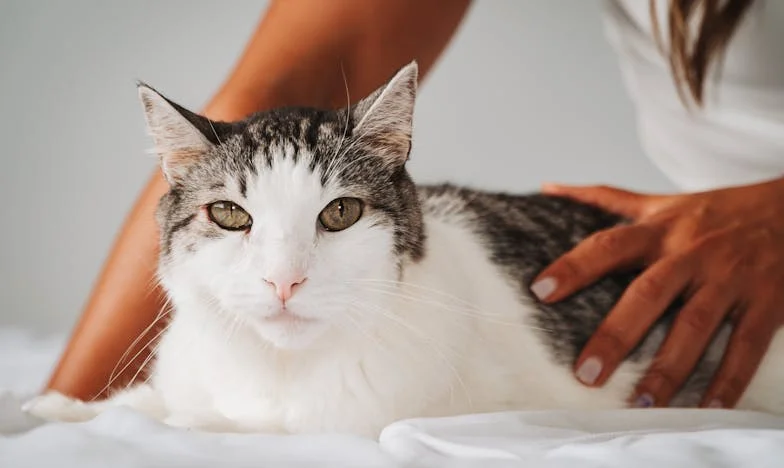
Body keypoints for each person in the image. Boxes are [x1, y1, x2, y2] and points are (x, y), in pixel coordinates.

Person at [45, 0, 784, 411]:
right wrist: (66, 410)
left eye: (338, 217)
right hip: (702, 247)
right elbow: (272, 89)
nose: (283, 277)